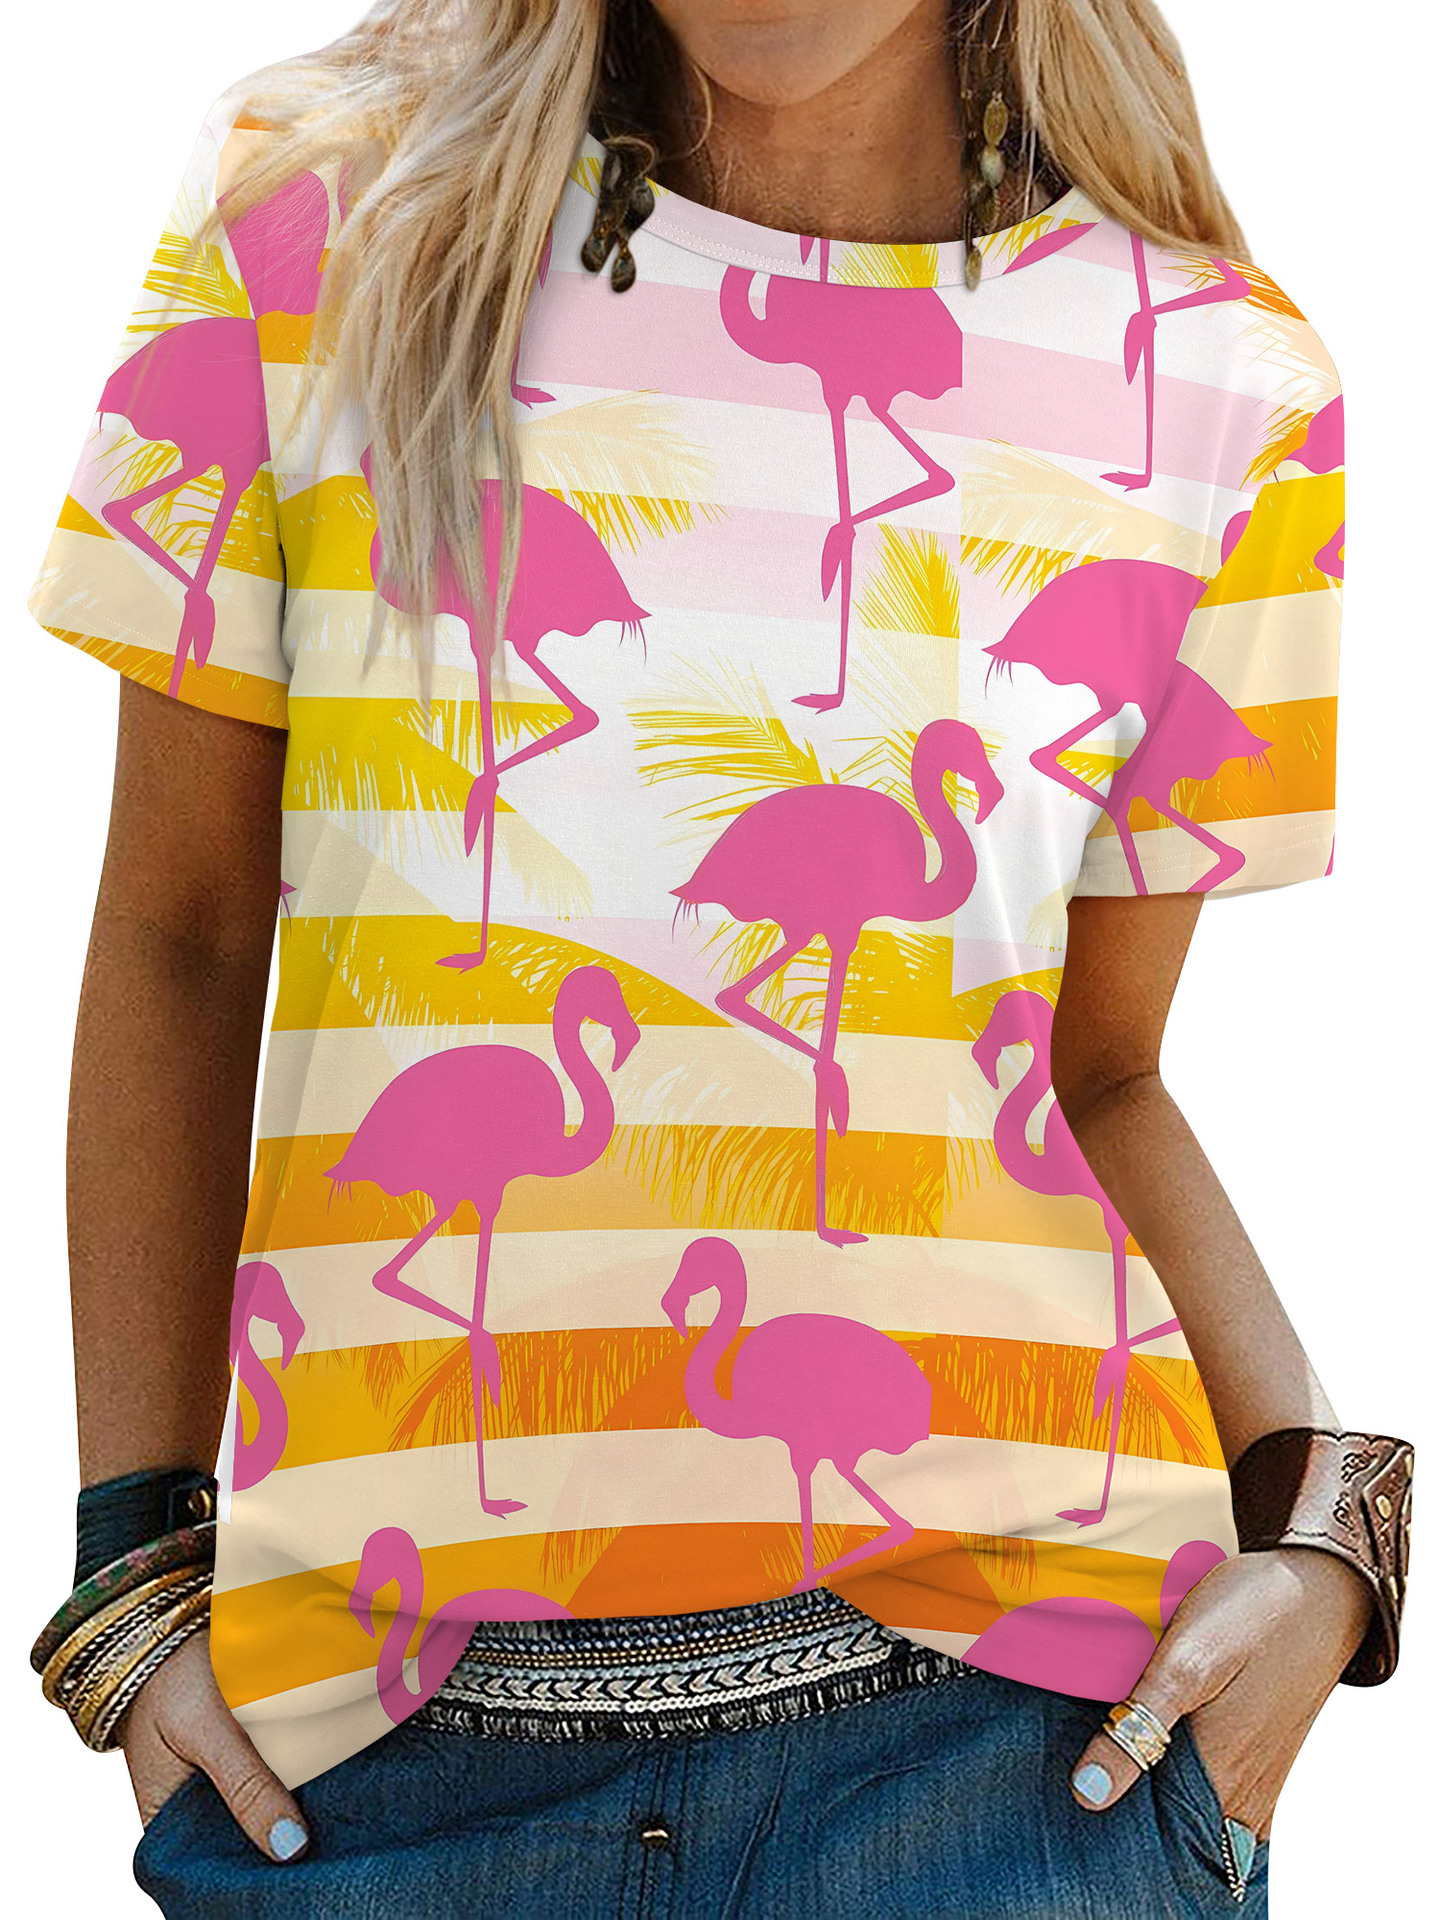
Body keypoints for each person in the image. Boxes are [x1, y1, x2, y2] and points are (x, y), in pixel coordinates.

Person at [23, 2, 1413, 1914]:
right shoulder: (314, 213)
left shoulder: (1222, 375)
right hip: (370, 1758)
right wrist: (127, 1568)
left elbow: (1095, 1075)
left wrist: (1339, 1535)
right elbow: (180, 933)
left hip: (1018, 1753)